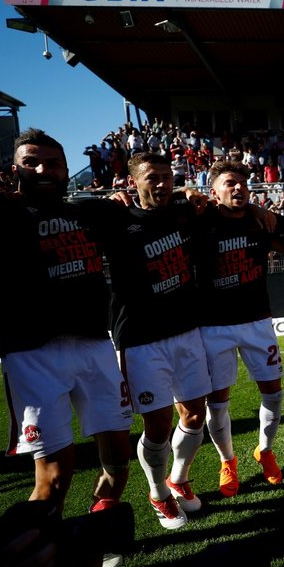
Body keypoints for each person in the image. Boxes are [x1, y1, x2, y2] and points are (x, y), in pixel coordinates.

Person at [0, 129, 132, 525]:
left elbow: (152, 207)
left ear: (65, 170)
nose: (43, 169)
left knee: (119, 460)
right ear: (14, 170)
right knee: (55, 476)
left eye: (53, 163)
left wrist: (193, 197)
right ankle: (40, 553)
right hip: (32, 354)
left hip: (95, 345)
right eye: (32, 162)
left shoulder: (90, 212)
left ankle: (100, 524)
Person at [78, 153, 213, 530]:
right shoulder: (117, 217)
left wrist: (190, 193)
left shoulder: (184, 208)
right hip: (141, 338)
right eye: (153, 177)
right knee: (157, 427)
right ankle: (158, 495)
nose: (162, 184)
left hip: (186, 330)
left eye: (168, 177)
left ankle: (179, 479)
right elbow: (72, 211)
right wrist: (108, 201)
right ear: (134, 182)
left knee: (195, 415)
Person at [195, 161, 284, 494]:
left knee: (274, 392)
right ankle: (227, 461)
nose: (238, 188)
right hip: (213, 327)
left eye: (243, 184)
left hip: (257, 321)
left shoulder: (258, 219)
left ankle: (264, 450)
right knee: (217, 402)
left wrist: (261, 211)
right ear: (213, 190)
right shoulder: (199, 220)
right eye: (230, 183)